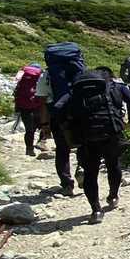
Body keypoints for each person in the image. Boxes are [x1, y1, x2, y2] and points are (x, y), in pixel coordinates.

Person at [57, 66, 130, 224]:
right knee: (113, 165)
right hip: (111, 133)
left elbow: (58, 107)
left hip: (87, 136)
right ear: (110, 76)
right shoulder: (115, 86)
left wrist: (67, 127)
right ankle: (113, 196)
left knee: (90, 173)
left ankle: (96, 211)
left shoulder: (78, 90)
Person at [43, 42, 86, 196]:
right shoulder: (81, 72)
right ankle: (82, 168)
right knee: (84, 145)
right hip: (80, 113)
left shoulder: (48, 74)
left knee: (62, 149)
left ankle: (67, 184)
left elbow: (43, 99)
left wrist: (44, 124)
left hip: (58, 114)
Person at [13, 63, 46, 157]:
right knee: (44, 125)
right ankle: (41, 142)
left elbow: (16, 90)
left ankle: (29, 149)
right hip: (38, 106)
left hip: (24, 107)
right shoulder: (41, 76)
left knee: (29, 130)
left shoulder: (23, 75)